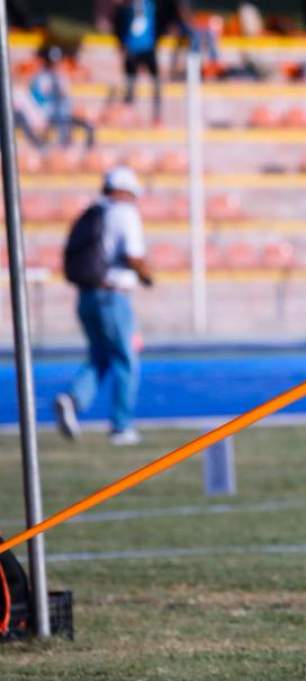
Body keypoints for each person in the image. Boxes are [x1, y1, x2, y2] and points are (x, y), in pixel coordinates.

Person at [53, 167, 154, 446]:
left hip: (87, 296)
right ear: (123, 191)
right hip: (112, 296)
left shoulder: (93, 212)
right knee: (125, 359)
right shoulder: (124, 213)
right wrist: (147, 276)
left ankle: (73, 400)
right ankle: (122, 427)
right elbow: (133, 254)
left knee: (100, 356)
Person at [112, 0, 162, 124]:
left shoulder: (151, 5)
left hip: (148, 49)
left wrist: (156, 41)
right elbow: (119, 24)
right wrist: (123, 44)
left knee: (156, 84)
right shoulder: (126, 7)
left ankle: (157, 116)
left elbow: (160, 22)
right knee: (130, 85)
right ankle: (128, 115)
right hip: (132, 50)